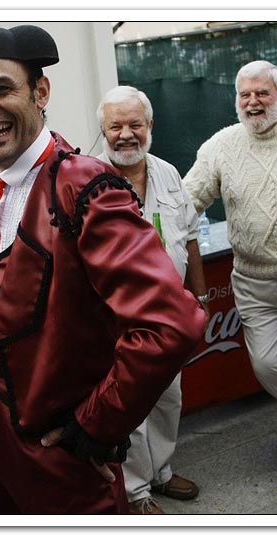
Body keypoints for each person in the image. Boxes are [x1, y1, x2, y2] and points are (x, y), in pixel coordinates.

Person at [0, 25, 205, 515]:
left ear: (41, 91)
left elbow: (170, 323)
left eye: (0, 88)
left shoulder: (86, 187)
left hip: (58, 454)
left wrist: (96, 424)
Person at [183, 60, 277, 477]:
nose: (253, 102)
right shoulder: (220, 146)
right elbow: (186, 201)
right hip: (250, 277)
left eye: (262, 93)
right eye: (244, 94)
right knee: (269, 364)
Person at [95, 85, 209, 515]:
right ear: (102, 130)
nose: (126, 134)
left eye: (135, 124)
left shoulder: (167, 172)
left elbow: (191, 236)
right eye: (115, 126)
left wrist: (198, 295)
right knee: (133, 407)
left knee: (168, 397)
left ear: (150, 127)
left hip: (170, 311)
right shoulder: (88, 177)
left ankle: (160, 472)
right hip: (117, 317)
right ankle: (136, 492)